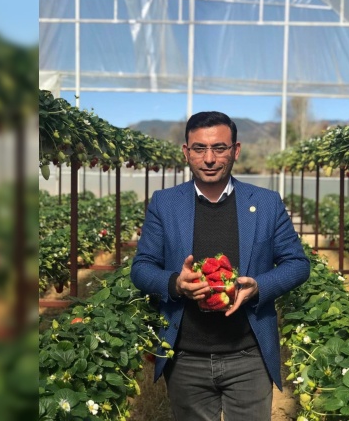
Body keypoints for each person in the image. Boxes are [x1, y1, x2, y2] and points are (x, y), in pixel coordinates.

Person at [131, 111, 310, 421]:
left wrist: (259, 287)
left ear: (235, 150)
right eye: (199, 148)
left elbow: (297, 264)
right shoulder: (165, 203)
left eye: (219, 148)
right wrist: (176, 284)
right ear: (186, 152)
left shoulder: (266, 203)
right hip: (186, 357)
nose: (209, 158)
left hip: (249, 355)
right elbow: (142, 267)